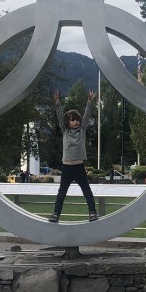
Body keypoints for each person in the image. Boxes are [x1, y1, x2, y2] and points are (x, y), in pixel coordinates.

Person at [48, 89, 99, 223]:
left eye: (77, 120)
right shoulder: (65, 131)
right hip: (67, 167)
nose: (75, 122)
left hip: (79, 167)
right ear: (68, 122)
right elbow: (60, 116)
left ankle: (92, 212)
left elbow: (87, 115)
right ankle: (56, 214)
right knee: (61, 193)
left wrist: (89, 101)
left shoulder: (82, 130)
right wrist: (57, 102)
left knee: (86, 191)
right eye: (72, 120)